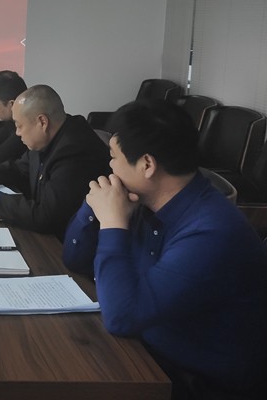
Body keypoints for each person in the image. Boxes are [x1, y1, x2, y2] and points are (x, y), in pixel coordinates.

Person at [63, 100, 267, 400]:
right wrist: (94, 207)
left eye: (114, 157)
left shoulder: (211, 232)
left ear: (147, 164)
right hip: (146, 355)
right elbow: (74, 258)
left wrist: (113, 223)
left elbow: (121, 317)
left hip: (195, 383)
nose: (110, 166)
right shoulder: (145, 201)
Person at [0, 84, 109, 238]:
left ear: (42, 122)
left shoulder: (75, 152)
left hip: (61, 243)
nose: (17, 133)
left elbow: (46, 216)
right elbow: (20, 168)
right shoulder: (50, 136)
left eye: (19, 126)